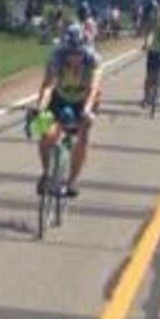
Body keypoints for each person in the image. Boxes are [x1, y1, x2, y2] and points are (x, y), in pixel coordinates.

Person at [28, 21, 103, 195]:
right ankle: (46, 174)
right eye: (70, 53)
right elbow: (48, 86)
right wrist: (40, 107)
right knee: (44, 132)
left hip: (83, 101)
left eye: (77, 53)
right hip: (59, 99)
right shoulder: (56, 56)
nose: (74, 57)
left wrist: (87, 110)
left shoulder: (93, 59)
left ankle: (72, 181)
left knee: (82, 137)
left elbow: (93, 89)